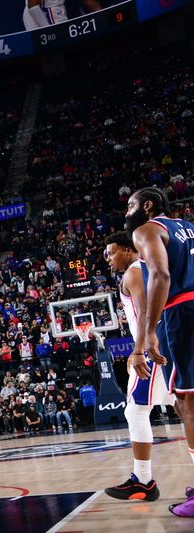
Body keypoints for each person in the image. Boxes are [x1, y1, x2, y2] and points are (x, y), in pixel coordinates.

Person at [126, 187, 194, 517]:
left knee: (188, 401)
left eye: (130, 206)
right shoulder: (189, 227)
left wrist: (150, 329)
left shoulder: (148, 229)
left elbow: (161, 274)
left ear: (147, 206)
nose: (127, 213)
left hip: (182, 313)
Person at [102, 231, 174, 500]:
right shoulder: (156, 265)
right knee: (183, 408)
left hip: (152, 349)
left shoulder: (134, 271)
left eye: (112, 252)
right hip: (170, 343)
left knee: (136, 410)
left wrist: (138, 350)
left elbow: (145, 312)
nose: (108, 258)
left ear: (130, 250)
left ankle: (143, 480)